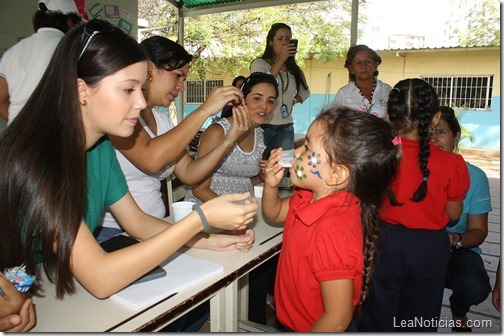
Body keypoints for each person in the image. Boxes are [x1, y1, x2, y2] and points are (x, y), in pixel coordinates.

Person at [0, 18, 257, 311]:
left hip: (43, 285)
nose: (140, 102)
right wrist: (200, 220)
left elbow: (137, 222)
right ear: (82, 90)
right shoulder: (43, 158)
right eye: (128, 90)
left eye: (140, 88)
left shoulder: (98, 149)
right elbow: (100, 278)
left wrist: (208, 241)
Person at [260, 106, 401, 332]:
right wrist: (270, 186)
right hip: (293, 322)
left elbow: (337, 318)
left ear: (336, 174)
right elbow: (274, 213)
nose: (295, 152)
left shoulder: (333, 232)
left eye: (307, 147)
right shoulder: (308, 197)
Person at [96, 35, 248, 243]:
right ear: (149, 69)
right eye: (177, 76)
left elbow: (189, 173)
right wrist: (204, 110)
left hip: (157, 227)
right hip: (113, 234)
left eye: (184, 79)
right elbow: (151, 159)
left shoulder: (161, 120)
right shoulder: (119, 118)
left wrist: (229, 140)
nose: (181, 87)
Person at [359, 79, 470, 332]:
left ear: (389, 114)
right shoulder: (453, 164)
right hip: (429, 249)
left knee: (377, 312)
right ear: (435, 118)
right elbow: (453, 215)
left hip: (381, 242)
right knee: (420, 316)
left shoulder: (378, 154)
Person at [432, 106, 492, 331]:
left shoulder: (475, 177)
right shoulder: (413, 170)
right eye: (428, 132)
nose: (434, 139)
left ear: (456, 137)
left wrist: (456, 239)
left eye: (442, 132)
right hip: (419, 250)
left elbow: (478, 231)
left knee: (474, 287)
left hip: (457, 250)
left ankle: (458, 310)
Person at [184, 72, 278, 204]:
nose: (264, 106)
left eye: (270, 101)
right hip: (208, 210)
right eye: (257, 98)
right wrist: (232, 211)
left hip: (240, 207)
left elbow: (243, 181)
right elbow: (199, 189)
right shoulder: (218, 132)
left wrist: (266, 173)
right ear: (243, 99)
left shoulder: (259, 134)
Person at [0, 0, 82, 124]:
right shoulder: (72, 51)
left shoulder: (12, 52)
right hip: (57, 133)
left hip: (18, 138)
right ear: (70, 22)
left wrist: (21, 124)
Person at [250, 22, 310, 160]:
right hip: (262, 126)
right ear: (270, 42)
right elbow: (262, 83)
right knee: (257, 167)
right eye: (280, 39)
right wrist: (281, 59)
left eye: (288, 39)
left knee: (282, 168)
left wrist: (294, 100)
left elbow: (305, 92)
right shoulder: (260, 63)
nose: (285, 43)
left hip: (285, 128)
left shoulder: (294, 69)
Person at [330, 44, 391, 119]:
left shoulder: (386, 90)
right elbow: (333, 121)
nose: (363, 66)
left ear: (376, 65)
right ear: (351, 69)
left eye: (368, 61)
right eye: (358, 63)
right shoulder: (343, 93)